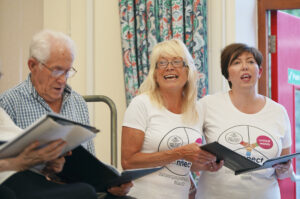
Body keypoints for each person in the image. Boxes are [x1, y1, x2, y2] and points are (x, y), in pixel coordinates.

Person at [0, 29, 132, 198]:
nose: (63, 79)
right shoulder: (9, 102)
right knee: (84, 193)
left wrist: (112, 180)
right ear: (33, 66)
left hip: (75, 182)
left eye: (67, 71)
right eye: (56, 70)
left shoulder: (77, 102)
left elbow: (90, 161)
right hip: (31, 184)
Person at [121, 39, 223, 199]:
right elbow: (128, 161)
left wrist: (205, 164)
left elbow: (184, 164)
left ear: (188, 70)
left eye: (176, 62)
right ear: (154, 73)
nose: (169, 67)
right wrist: (180, 152)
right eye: (161, 63)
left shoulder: (197, 109)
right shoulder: (141, 104)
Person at [196, 43, 292, 199]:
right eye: (236, 62)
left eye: (250, 61)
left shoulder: (279, 112)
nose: (245, 67)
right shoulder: (207, 105)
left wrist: (285, 170)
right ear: (227, 74)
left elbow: (284, 169)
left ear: (260, 71)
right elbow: (189, 154)